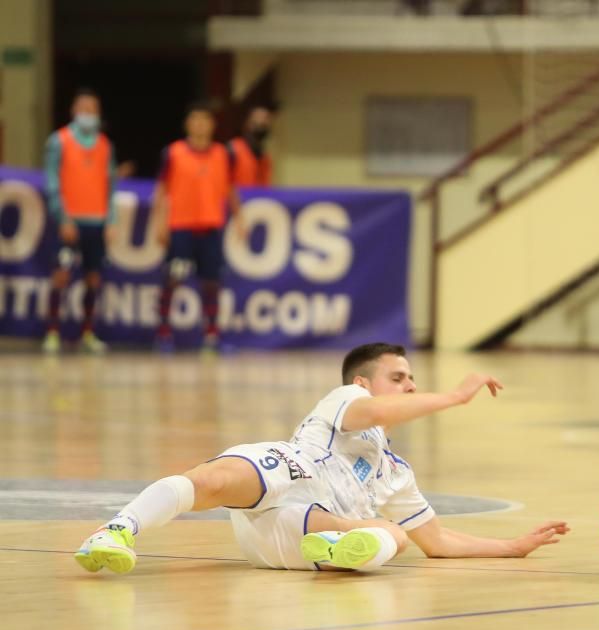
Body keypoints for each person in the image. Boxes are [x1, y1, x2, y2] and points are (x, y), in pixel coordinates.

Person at [75, 343, 569, 574]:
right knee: (217, 477)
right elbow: (380, 409)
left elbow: (437, 542)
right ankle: (117, 531)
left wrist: (513, 547)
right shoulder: (343, 402)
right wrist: (454, 397)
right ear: (362, 383)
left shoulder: (395, 472)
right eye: (399, 377)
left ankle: (337, 551)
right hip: (290, 475)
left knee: (394, 533)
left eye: (412, 379)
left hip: (298, 534)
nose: (411, 386)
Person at [151, 102, 242, 352]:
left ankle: (211, 336)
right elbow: (161, 190)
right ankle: (163, 333)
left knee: (211, 283)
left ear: (212, 125)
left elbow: (230, 189)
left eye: (205, 119)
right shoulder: (174, 153)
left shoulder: (223, 154)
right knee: (173, 279)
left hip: (211, 228)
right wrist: (158, 223)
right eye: (195, 119)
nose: (200, 124)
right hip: (181, 227)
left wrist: (240, 218)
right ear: (187, 124)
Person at [42, 88, 117, 354]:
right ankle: (52, 331)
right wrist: (62, 217)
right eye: (83, 108)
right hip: (69, 221)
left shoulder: (105, 145)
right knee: (61, 275)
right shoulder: (59, 141)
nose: (88, 113)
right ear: (74, 111)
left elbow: (111, 185)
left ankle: (88, 332)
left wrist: (111, 220)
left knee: (93, 278)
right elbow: (51, 182)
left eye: (93, 109)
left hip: (96, 223)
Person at [228, 105, 273, 187]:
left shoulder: (265, 157)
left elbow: (265, 186)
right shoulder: (233, 148)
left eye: (265, 120)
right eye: (258, 119)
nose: (262, 122)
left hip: (257, 199)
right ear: (248, 123)